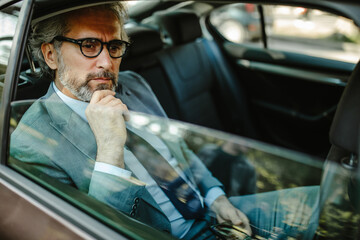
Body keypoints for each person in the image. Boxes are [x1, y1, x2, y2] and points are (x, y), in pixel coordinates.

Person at [10, 3, 319, 239]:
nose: (106, 62)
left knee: (326, 202)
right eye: (89, 45)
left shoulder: (133, 84)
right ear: (51, 55)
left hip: (214, 216)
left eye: (115, 47)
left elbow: (181, 152)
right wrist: (109, 151)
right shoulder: (32, 142)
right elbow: (93, 229)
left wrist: (217, 198)